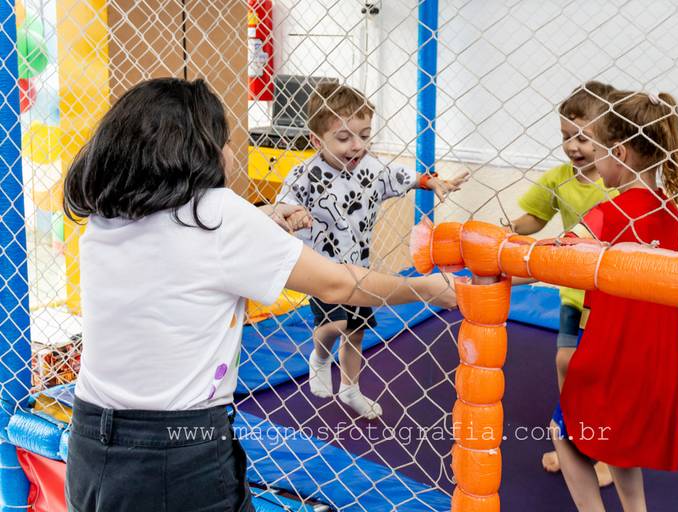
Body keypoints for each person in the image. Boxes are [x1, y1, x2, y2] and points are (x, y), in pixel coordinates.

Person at [62, 78, 456, 512]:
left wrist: (260, 217)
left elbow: (180, 247)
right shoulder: (218, 214)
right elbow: (337, 284)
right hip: (177, 449)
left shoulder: (108, 215)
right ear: (198, 152)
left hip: (89, 439)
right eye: (225, 142)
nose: (231, 153)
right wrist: (425, 289)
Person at [552, 90, 678, 512]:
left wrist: (506, 259)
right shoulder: (667, 209)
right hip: (654, 354)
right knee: (619, 441)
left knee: (562, 433)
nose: (592, 159)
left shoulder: (609, 212)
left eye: (597, 149)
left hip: (611, 349)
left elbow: (558, 253)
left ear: (618, 152)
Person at [276, 83, 468, 419]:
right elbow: (284, 203)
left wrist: (431, 181)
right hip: (322, 270)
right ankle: (320, 355)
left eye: (364, 135)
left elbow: (400, 177)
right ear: (316, 141)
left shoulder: (371, 169)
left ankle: (351, 388)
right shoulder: (304, 175)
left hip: (360, 269)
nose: (357, 145)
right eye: (344, 138)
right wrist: (292, 214)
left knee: (356, 331)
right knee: (336, 324)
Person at [505, 81, 616, 485]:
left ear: (610, 137)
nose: (573, 147)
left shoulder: (617, 181)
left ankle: (606, 454)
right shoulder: (558, 179)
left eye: (583, 138)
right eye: (567, 136)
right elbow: (535, 219)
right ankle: (572, 440)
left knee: (604, 374)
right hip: (574, 293)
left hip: (613, 296)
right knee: (566, 363)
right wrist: (506, 230)